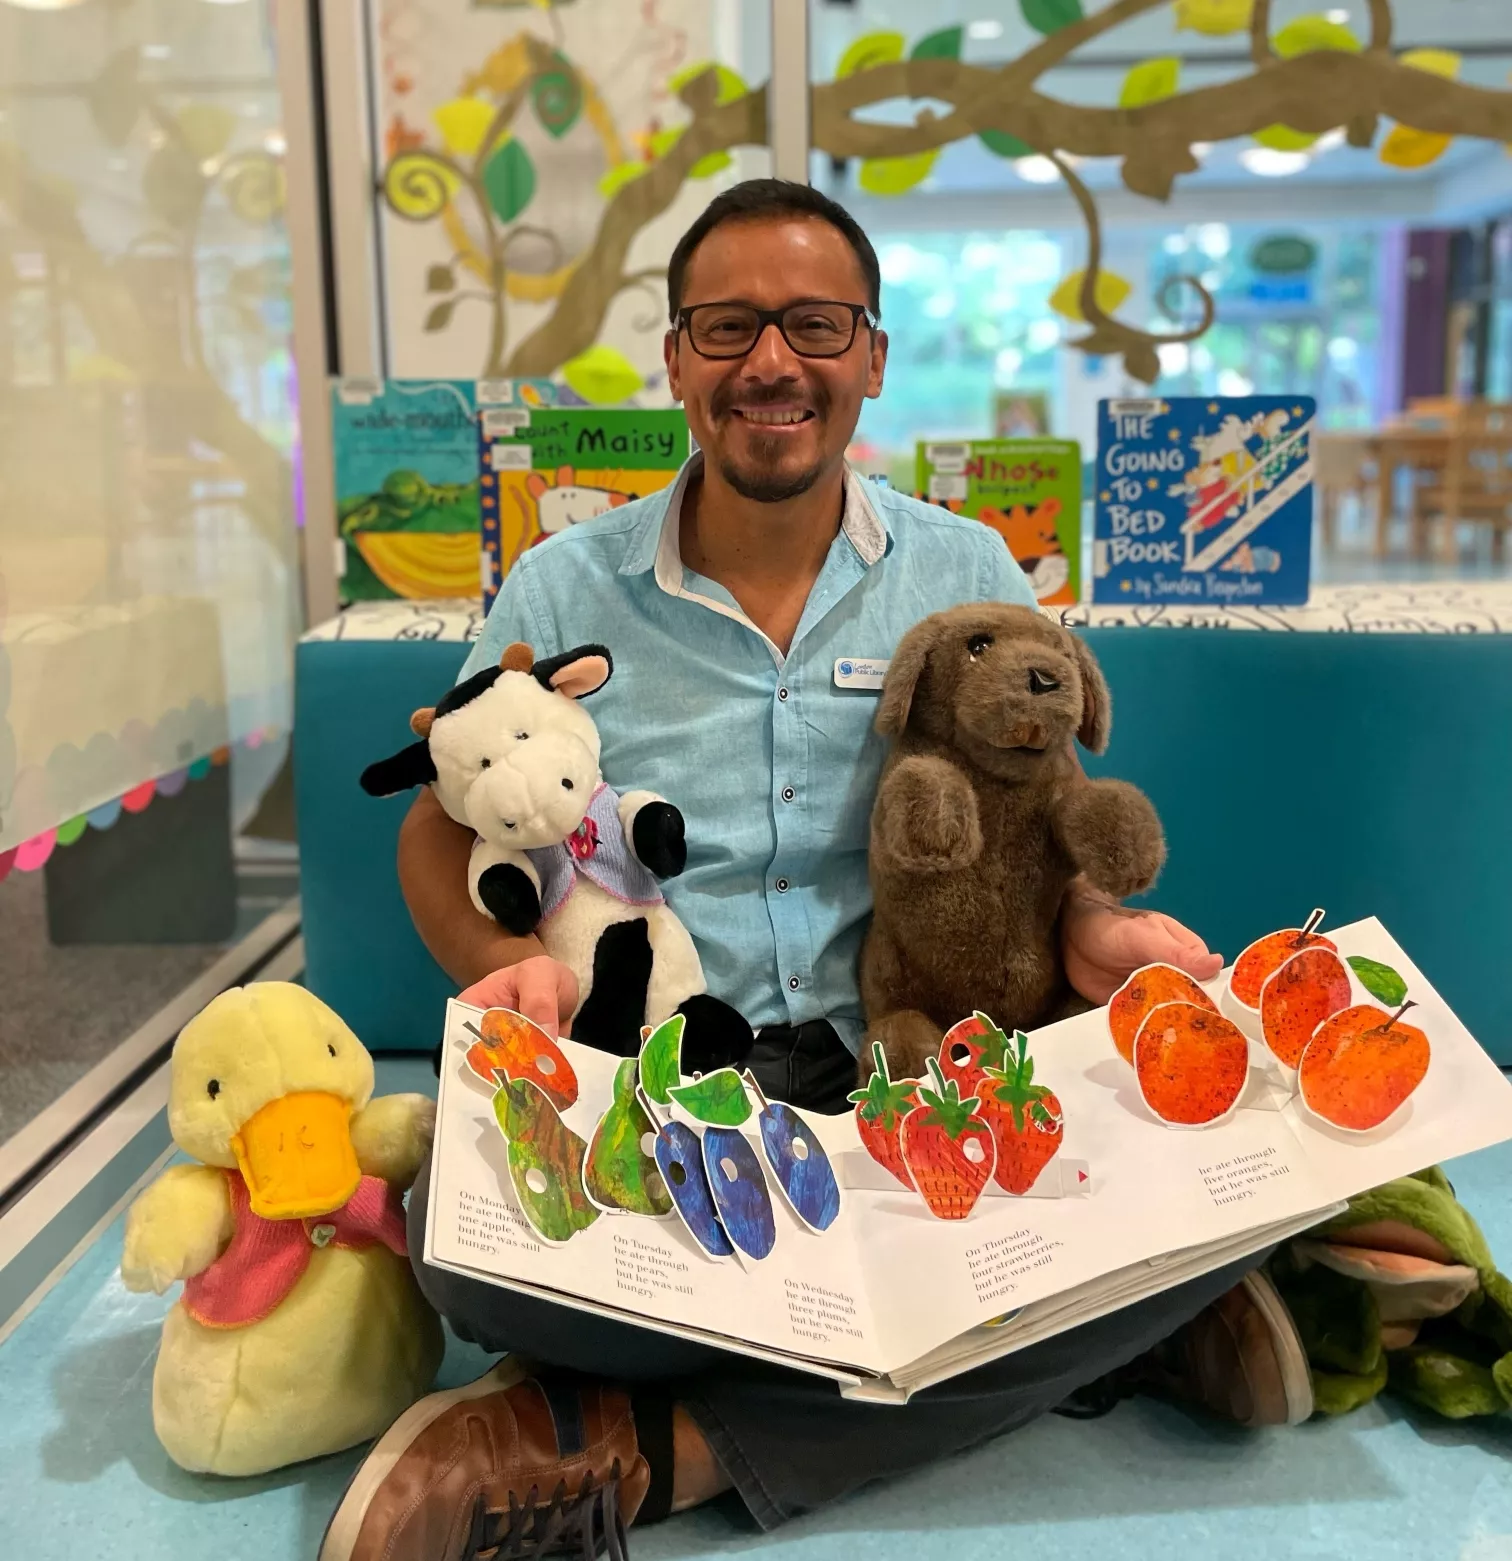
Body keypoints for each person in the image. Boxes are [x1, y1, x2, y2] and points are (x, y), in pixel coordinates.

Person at [319, 180, 1310, 1561]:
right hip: (671, 1093)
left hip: (922, 1078)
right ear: (675, 359)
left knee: (1256, 1173)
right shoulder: (563, 588)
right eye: (727, 328)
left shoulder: (963, 567)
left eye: (814, 324)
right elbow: (440, 823)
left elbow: (1043, 801)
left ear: (873, 357)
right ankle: (1066, 1342)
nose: (771, 363)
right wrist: (507, 969)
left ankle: (657, 1451)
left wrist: (1088, 924)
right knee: (466, 1251)